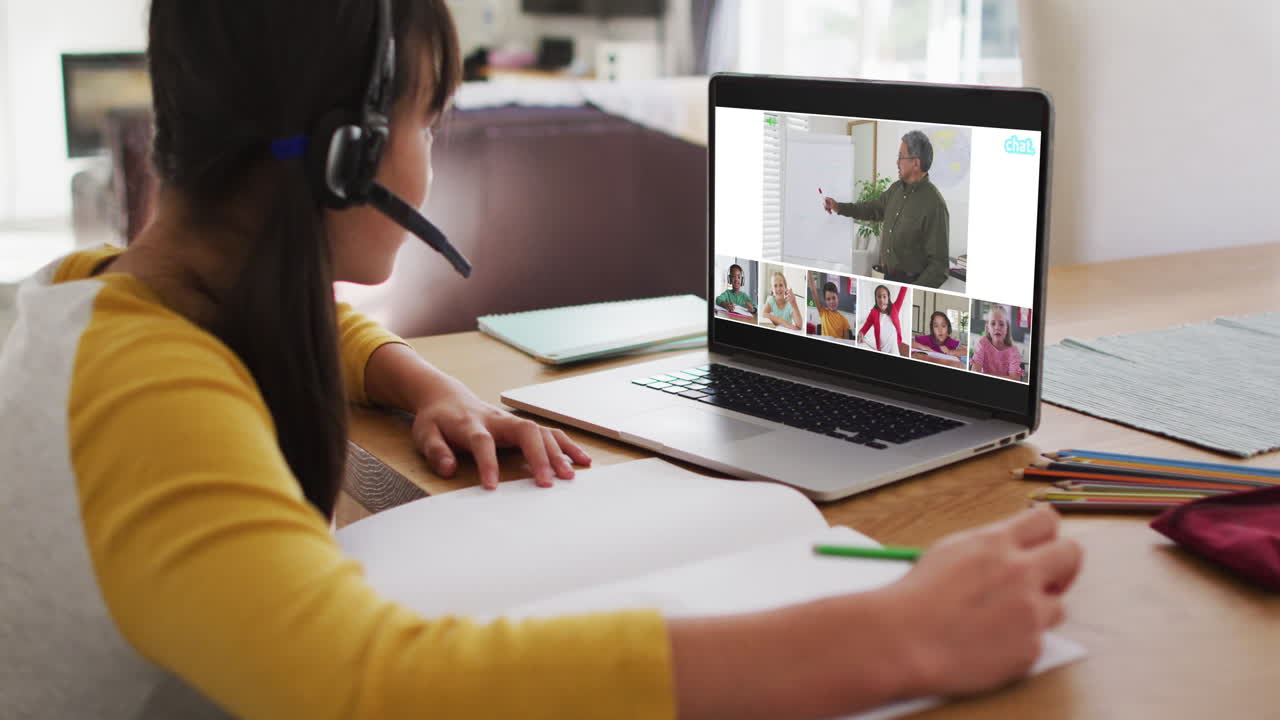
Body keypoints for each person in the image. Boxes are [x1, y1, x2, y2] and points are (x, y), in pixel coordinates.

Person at [0, 2, 1081, 718]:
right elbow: (368, 689)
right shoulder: (150, 398)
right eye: (432, 122)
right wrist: (894, 636)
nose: (432, 157)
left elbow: (293, 321)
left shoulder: (102, 299)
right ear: (346, 158)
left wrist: (423, 382)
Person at [822, 130, 951, 288]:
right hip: (887, 278)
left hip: (910, 283)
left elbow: (939, 267)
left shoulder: (935, 204)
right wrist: (838, 207)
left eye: (901, 157)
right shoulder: (896, 189)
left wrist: (912, 290)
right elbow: (871, 209)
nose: (897, 162)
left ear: (916, 163)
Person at [972, 304, 1026, 380]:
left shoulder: (1013, 351)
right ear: (988, 328)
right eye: (993, 323)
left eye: (1001, 324)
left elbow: (1015, 379)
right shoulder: (982, 344)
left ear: (1007, 328)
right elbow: (975, 371)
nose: (997, 327)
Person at [859, 284, 909, 355]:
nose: (881, 300)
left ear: (888, 297)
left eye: (884, 296)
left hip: (893, 347)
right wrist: (861, 333)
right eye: (879, 297)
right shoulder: (873, 313)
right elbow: (866, 326)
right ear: (876, 298)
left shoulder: (895, 308)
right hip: (882, 349)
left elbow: (902, 292)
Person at [808, 272, 853, 340]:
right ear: (825, 301)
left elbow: (847, 342)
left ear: (838, 298)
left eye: (834, 298)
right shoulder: (823, 312)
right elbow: (813, 290)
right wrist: (809, 272)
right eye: (828, 299)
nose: (831, 301)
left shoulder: (844, 320)